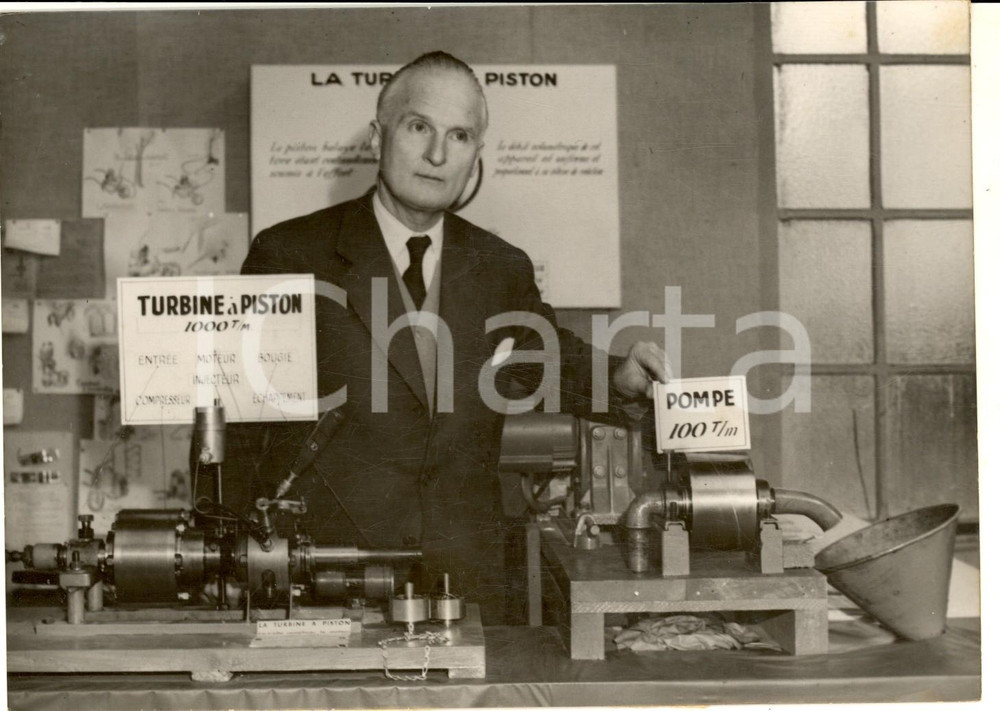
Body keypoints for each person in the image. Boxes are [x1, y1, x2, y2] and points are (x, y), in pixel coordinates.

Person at [230, 51, 668, 624]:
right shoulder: (288, 254)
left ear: (476, 156)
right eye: (419, 128)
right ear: (376, 137)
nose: (438, 154)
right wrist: (235, 562)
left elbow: (542, 355)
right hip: (325, 579)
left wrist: (619, 375)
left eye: (459, 136)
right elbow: (234, 432)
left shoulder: (499, 265)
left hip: (464, 579)